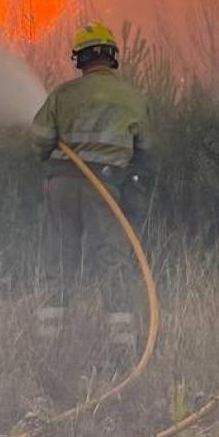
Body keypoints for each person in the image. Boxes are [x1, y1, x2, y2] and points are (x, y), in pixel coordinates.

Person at [30, 21, 152, 344]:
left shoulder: (62, 95)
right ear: (112, 56)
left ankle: (49, 339)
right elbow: (146, 149)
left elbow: (39, 141)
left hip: (63, 183)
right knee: (111, 257)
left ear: (79, 59)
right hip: (107, 188)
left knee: (58, 254)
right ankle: (121, 341)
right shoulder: (132, 97)